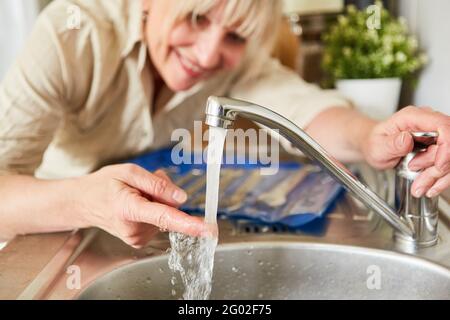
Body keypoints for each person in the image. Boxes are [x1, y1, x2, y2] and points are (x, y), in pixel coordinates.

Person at [0, 0, 448, 248]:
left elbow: (305, 110)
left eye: (234, 35)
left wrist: (371, 137)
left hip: (138, 232)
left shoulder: (239, 63)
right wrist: (84, 201)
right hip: (52, 230)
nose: (210, 53)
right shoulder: (72, 34)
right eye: (196, 17)